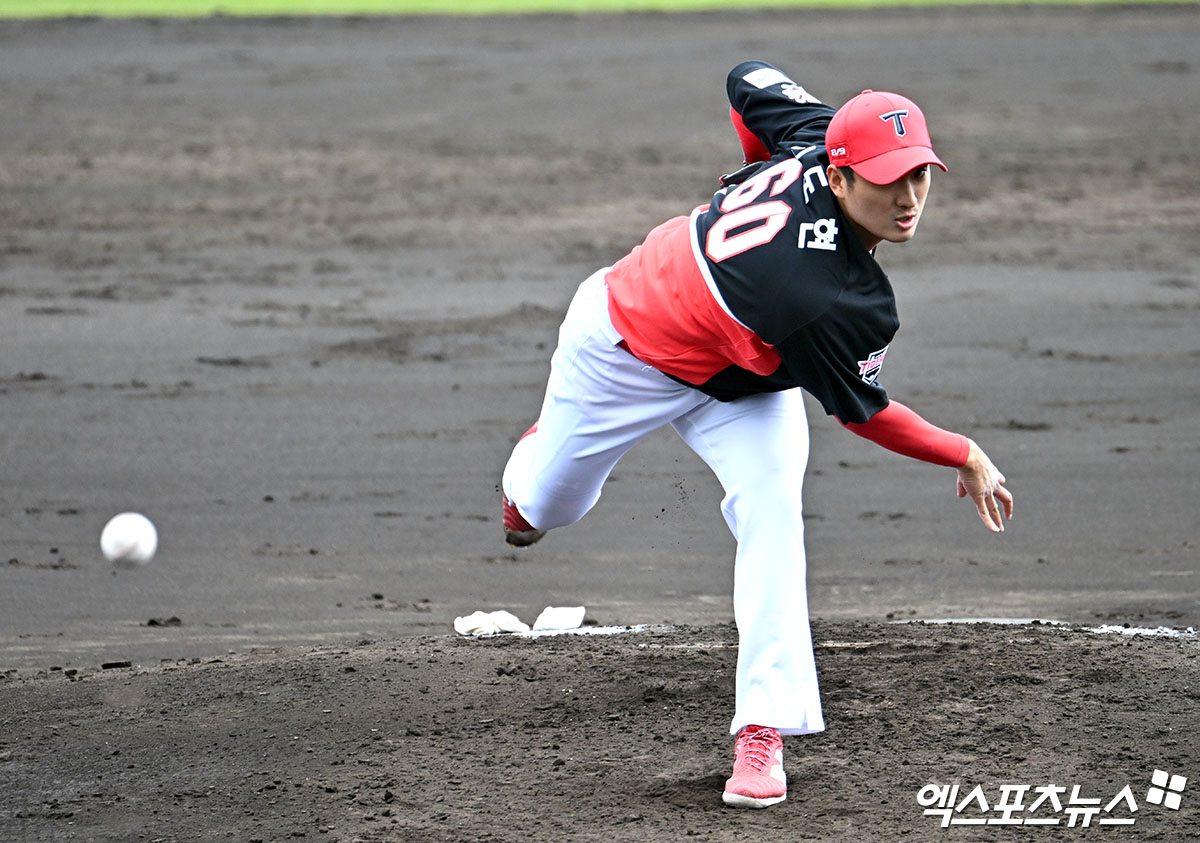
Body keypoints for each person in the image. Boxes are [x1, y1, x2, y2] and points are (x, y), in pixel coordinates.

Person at [499, 60, 1013, 809]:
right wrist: (963, 452)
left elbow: (749, 80)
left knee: (773, 513)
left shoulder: (822, 137)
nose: (906, 198)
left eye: (917, 174)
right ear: (839, 177)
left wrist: (758, 166)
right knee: (543, 508)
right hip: (622, 351)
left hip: (740, 382)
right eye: (885, 180)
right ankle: (537, 458)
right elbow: (865, 413)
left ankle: (761, 731)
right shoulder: (823, 295)